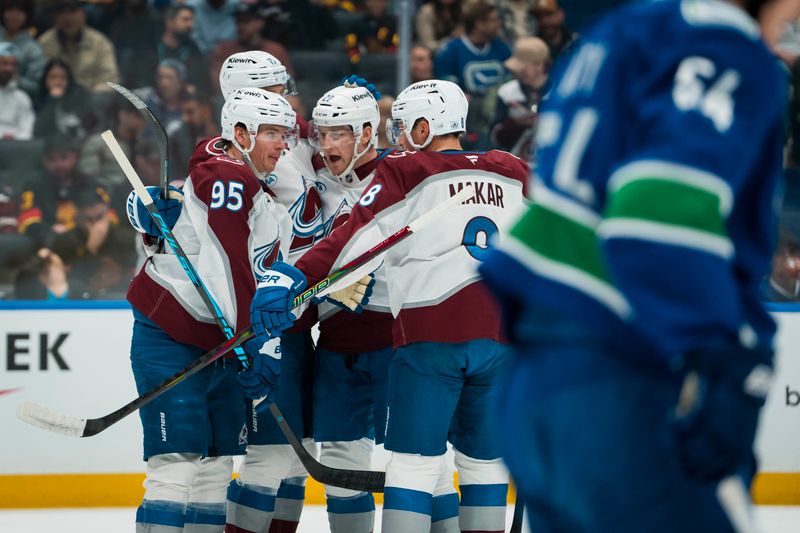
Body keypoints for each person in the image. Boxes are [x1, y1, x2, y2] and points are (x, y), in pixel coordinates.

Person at [478, 0, 795, 531]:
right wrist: (727, 362)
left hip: (537, 384)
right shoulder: (722, 47)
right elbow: (655, 220)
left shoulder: (612, 36)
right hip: (627, 377)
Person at [250, 79, 529, 533]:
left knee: (415, 467)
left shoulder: (407, 170)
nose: (396, 137)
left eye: (402, 126)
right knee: (484, 465)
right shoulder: (512, 169)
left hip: (430, 338)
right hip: (499, 342)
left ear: (425, 125)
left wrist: (292, 276)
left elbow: (354, 241)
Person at [124, 87, 298, 532]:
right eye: (273, 133)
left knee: (215, 471)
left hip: (222, 341)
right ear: (240, 133)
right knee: (176, 468)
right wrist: (254, 343)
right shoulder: (228, 178)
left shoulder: (246, 175)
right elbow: (227, 266)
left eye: (285, 133)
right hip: (173, 336)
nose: (283, 143)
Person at [216, 50, 324, 533]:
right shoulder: (243, 161)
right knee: (270, 454)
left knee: (299, 455)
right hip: (269, 320)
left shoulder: (284, 142)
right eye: (278, 91)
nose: (289, 101)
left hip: (299, 317)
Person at [306, 78, 394, 533]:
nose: (325, 144)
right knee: (340, 461)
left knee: (416, 461)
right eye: (321, 133)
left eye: (337, 133)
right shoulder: (314, 172)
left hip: (397, 342)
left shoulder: (401, 173)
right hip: (337, 342)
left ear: (366, 133)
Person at [37, 0, 119, 92]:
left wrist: (88, 95)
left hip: (90, 99)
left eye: (73, 11)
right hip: (55, 99)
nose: (68, 18)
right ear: (54, 17)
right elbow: (38, 79)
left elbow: (110, 80)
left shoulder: (100, 43)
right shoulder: (44, 42)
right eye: (62, 13)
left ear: (83, 14)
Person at [0, 41, 33, 139]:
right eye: (4, 63)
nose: (8, 69)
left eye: (12, 64)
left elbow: (27, 129)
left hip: (16, 148)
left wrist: (14, 138)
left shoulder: (22, 98)